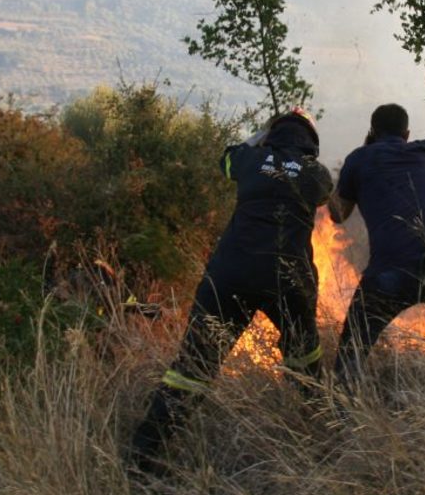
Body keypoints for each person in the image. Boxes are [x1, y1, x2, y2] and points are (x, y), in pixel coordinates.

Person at [130, 109, 333, 473]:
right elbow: (325, 195)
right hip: (288, 280)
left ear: (273, 134)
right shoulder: (316, 174)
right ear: (311, 143)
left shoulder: (249, 159)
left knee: (193, 367)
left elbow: (225, 158)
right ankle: (324, 435)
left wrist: (262, 134)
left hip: (230, 274)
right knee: (305, 359)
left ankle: (143, 454)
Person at [330, 61, 425, 387]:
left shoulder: (359, 159)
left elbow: (337, 214)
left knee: (353, 349)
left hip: (390, 273)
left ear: (372, 132)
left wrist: (323, 185)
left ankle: (344, 407)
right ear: (406, 134)